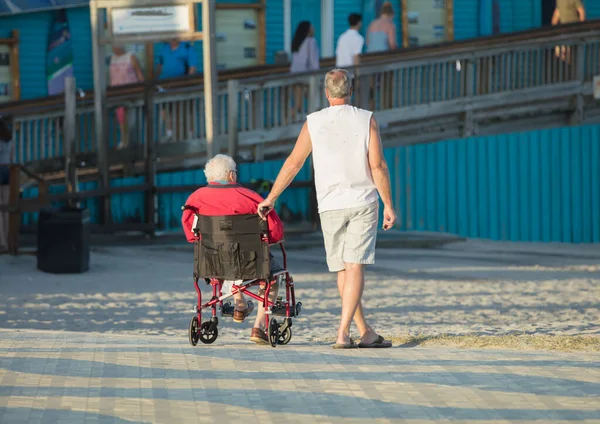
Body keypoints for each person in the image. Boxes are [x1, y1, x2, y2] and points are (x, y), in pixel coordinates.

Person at [257, 69, 397, 349]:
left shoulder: (313, 122)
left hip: (329, 204)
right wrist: (388, 204)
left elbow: (294, 163)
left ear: (325, 92)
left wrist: (271, 197)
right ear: (351, 90)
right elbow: (378, 166)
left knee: (343, 271)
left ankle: (364, 331)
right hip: (362, 201)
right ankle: (343, 333)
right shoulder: (366, 118)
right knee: (354, 266)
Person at [181, 154, 285, 345]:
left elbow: (190, 235)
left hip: (212, 261)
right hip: (250, 260)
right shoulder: (251, 197)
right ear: (231, 175)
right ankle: (259, 326)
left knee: (223, 255)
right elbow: (275, 233)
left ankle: (239, 301)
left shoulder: (195, 199)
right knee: (272, 276)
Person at [156, 40, 198, 141]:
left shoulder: (187, 47)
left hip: (182, 85)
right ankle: (170, 133)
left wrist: (187, 83)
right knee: (165, 110)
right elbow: (160, 66)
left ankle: (190, 133)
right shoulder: (164, 48)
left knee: (186, 110)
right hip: (165, 85)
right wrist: (157, 81)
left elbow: (192, 68)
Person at [109, 45, 144, 149]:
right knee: (121, 117)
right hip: (117, 93)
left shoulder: (131, 57)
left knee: (130, 117)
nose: (114, 48)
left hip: (131, 92)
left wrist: (143, 88)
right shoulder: (112, 58)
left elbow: (139, 74)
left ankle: (131, 142)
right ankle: (124, 141)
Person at [290, 21, 320, 119]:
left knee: (298, 101)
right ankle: (314, 117)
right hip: (306, 75)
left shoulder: (297, 41)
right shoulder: (311, 41)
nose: (314, 29)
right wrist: (317, 75)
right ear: (308, 30)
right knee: (314, 98)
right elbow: (314, 61)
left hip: (294, 74)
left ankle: (292, 116)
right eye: (312, 27)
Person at [0, 116, 13, 251]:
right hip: (7, 171)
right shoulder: (10, 140)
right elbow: (11, 157)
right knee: (6, 207)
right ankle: (7, 240)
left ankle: (2, 241)